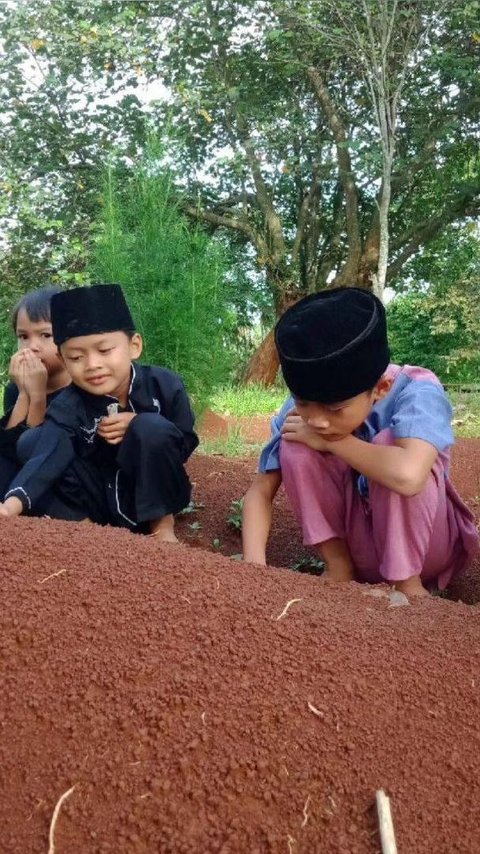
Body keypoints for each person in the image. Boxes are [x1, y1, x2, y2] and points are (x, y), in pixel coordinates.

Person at [242, 287, 479, 597]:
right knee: (296, 441)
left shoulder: (417, 390)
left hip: (426, 550)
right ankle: (339, 568)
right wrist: (251, 569)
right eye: (303, 403)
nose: (318, 420)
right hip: (360, 547)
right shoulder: (308, 406)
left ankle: (406, 586)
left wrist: (332, 443)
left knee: (389, 443)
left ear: (380, 388)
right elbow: (260, 492)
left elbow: (408, 476)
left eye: (334, 409)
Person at [0, 283, 198, 542]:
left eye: (104, 350)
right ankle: (92, 534)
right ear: (64, 358)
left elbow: (186, 442)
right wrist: (11, 506)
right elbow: (46, 451)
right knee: (35, 442)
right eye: (76, 357)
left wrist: (140, 424)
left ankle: (162, 526)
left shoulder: (165, 384)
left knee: (151, 427)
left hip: (146, 492)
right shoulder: (69, 402)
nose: (93, 365)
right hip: (97, 497)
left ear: (134, 346)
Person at [0, 286, 71, 496]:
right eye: (23, 336)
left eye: (45, 335)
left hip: (62, 481)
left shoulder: (80, 388)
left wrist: (38, 396)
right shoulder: (16, 387)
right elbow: (9, 451)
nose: (32, 346)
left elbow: (35, 449)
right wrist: (24, 394)